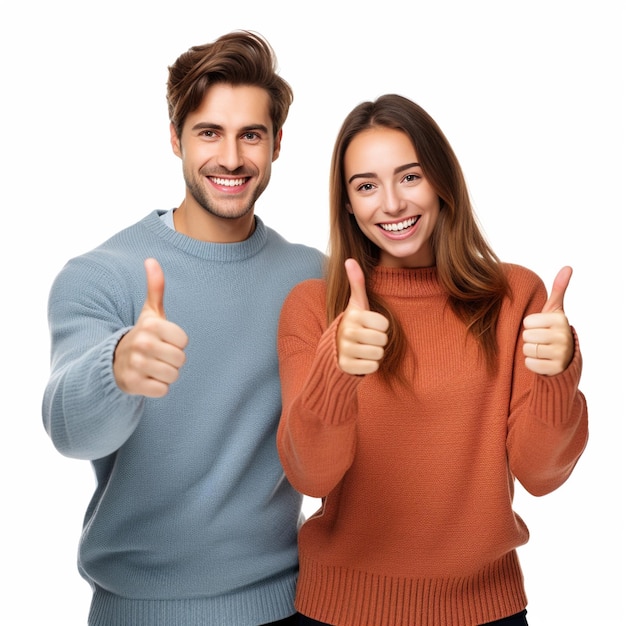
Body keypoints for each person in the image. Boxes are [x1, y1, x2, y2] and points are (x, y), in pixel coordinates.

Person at [42, 30, 325, 626]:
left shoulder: (312, 279)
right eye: (208, 133)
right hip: (137, 614)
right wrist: (118, 367)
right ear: (175, 139)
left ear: (277, 143)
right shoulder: (103, 276)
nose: (230, 158)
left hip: (288, 608)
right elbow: (68, 429)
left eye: (251, 134)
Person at [276, 94, 588, 626]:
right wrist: (336, 373)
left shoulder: (516, 297)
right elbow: (311, 476)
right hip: (338, 611)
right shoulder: (315, 307)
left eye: (410, 176)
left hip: (486, 610)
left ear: (443, 181)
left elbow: (541, 475)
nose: (392, 204)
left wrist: (557, 376)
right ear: (348, 204)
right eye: (366, 186)